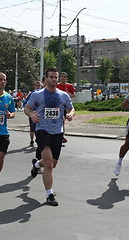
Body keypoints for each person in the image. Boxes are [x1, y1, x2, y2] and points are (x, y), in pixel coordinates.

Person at [24, 67, 75, 206]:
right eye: (51, 77)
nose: (53, 79)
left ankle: (36, 164)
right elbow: (27, 108)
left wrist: (70, 114)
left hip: (57, 132)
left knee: (53, 163)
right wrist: (31, 114)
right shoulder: (37, 94)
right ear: (45, 78)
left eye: (55, 77)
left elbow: (71, 108)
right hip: (42, 130)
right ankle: (49, 194)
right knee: (48, 164)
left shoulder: (63, 95)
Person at [56, 72, 75, 143]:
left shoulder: (69, 86)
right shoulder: (57, 86)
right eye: (62, 76)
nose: (63, 78)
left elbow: (74, 95)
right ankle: (59, 135)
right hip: (58, 106)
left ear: (66, 78)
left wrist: (68, 95)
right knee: (60, 120)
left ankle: (62, 135)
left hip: (66, 106)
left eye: (64, 76)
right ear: (60, 78)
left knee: (62, 121)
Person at [23, 81, 42, 147]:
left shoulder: (43, 93)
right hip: (33, 114)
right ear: (34, 86)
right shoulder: (31, 94)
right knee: (32, 129)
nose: (37, 87)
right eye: (36, 85)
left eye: (38, 86)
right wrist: (30, 111)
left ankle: (39, 140)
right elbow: (25, 103)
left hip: (40, 114)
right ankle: (32, 140)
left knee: (39, 128)